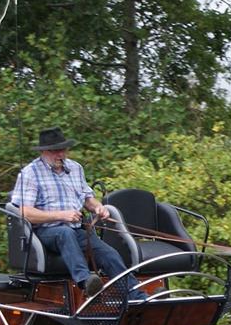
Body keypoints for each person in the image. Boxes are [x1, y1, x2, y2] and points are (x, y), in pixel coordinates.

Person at [10, 127, 146, 300]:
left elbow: (88, 199)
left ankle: (136, 296)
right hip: (45, 232)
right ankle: (86, 281)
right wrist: (61, 215)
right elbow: (24, 212)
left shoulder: (75, 169)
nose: (60, 154)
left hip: (76, 231)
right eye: (55, 151)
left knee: (109, 253)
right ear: (43, 152)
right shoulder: (30, 173)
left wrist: (98, 207)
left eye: (63, 150)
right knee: (64, 233)